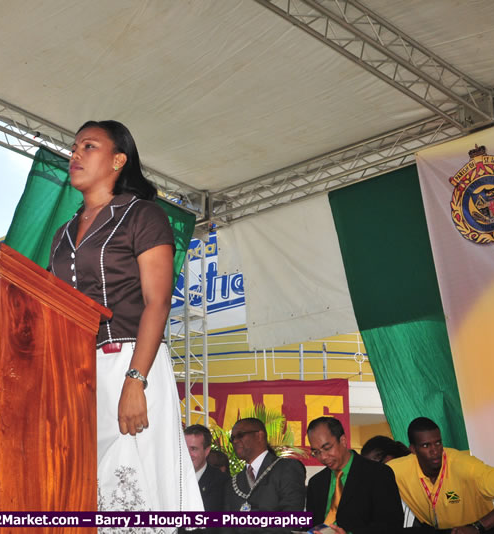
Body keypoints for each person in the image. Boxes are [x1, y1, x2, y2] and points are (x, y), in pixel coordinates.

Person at [49, 120, 203, 515]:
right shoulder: (63, 233)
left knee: (137, 497)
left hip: (133, 362)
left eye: (88, 146)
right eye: (74, 147)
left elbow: (158, 302)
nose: (75, 154)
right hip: (79, 373)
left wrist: (136, 381)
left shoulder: (142, 215)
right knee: (90, 498)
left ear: (118, 160)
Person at [387, 417, 494, 533]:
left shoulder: (466, 466)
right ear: (413, 449)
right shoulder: (397, 470)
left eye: (438, 443)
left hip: (480, 528)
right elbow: (372, 473)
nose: (435, 451)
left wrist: (477, 527)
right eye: (426, 446)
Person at [306, 416, 403, 534]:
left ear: (343, 440)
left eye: (327, 448)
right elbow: (310, 524)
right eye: (316, 452)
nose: (323, 457)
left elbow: (391, 525)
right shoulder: (316, 483)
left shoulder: (378, 474)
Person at [223, 418, 305, 534]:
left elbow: (291, 518)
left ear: (259, 435)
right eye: (232, 438)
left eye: (240, 435)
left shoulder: (286, 468)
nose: (235, 441)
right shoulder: (233, 482)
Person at [184, 424, 230, 526]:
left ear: (207, 451)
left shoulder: (223, 483)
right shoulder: (170, 479)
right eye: (184, 448)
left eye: (193, 449)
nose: (187, 454)